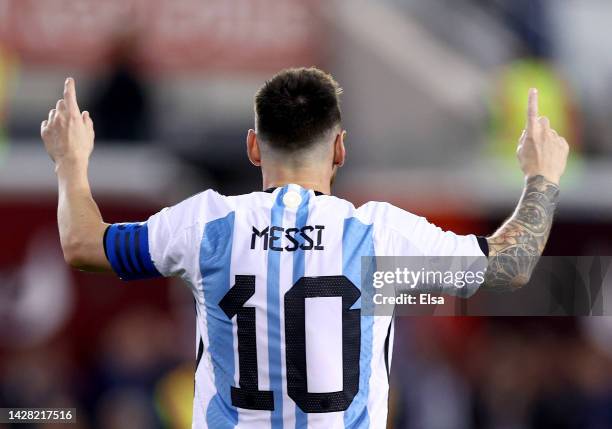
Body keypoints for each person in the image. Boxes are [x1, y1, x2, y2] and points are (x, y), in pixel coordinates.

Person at [40, 68, 568, 429]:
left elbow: (84, 243)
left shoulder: (206, 223)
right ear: (340, 148)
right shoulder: (379, 234)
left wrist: (71, 162)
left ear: (253, 146)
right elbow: (512, 265)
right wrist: (541, 177)